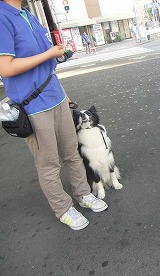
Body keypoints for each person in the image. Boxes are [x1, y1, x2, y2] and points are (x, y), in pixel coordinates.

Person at [0, 0, 108, 230]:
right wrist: (48, 53)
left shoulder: (27, 14)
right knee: (48, 164)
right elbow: (5, 68)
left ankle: (83, 194)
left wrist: (65, 94)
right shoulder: (2, 17)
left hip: (56, 96)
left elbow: (46, 65)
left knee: (72, 153)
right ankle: (63, 208)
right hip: (33, 107)